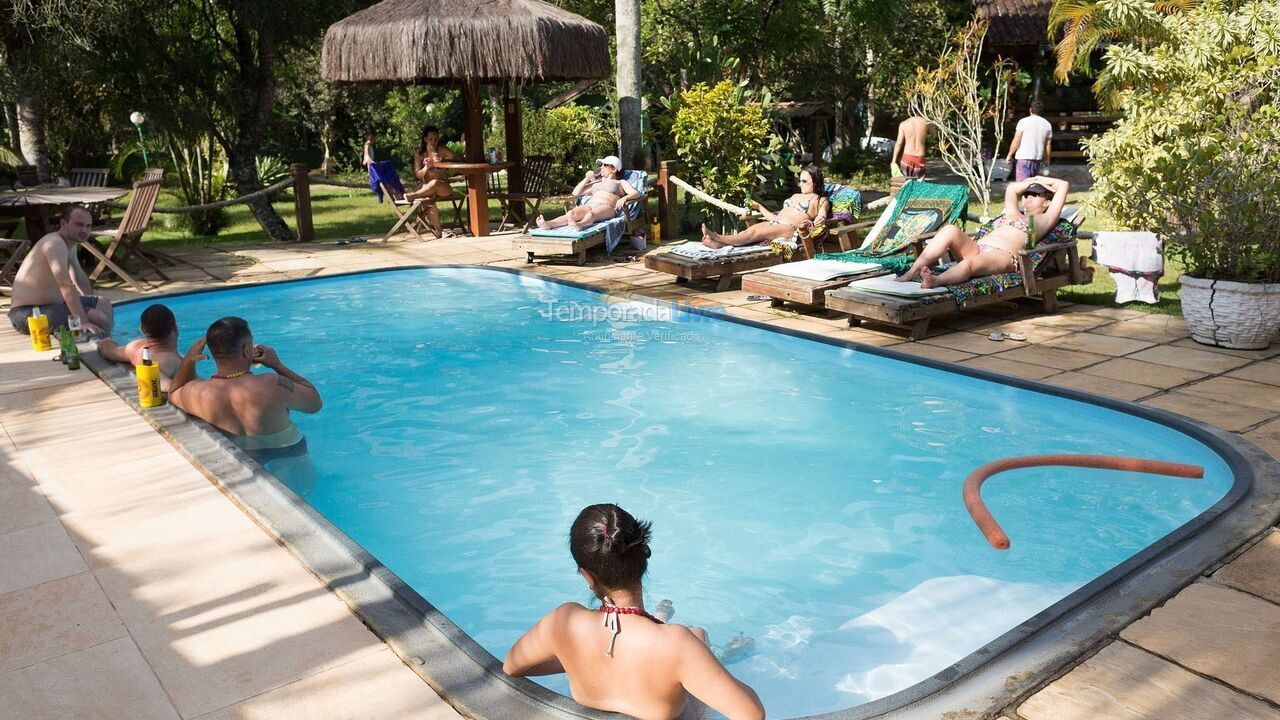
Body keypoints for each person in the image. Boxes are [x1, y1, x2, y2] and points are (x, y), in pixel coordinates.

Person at [504, 504, 765, 720]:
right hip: (673, 669)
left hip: (630, 648)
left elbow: (511, 666)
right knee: (697, 635)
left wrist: (574, 658)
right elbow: (752, 714)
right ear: (643, 559)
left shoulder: (563, 623)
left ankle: (659, 621)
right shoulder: (678, 645)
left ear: (587, 576)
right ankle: (723, 654)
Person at [168, 317, 322, 461]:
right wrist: (276, 364)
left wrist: (188, 360)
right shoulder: (272, 384)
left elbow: (174, 392)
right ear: (247, 350)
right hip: (290, 454)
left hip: (244, 457)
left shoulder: (198, 393)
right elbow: (315, 403)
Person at [895, 176, 1069, 288]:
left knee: (967, 265)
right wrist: (1030, 183)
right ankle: (913, 271)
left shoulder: (1043, 221)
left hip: (1003, 256)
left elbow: (1063, 185)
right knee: (949, 229)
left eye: (1035, 195)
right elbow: (1011, 189)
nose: (1028, 198)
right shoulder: (1013, 214)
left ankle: (936, 281)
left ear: (1047, 203)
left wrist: (1040, 178)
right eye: (1027, 194)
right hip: (978, 248)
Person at [8, 204, 114, 337]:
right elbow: (65, 284)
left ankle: (108, 342)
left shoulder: (70, 244)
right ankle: (101, 347)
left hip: (52, 305)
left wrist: (92, 300)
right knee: (97, 317)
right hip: (29, 314)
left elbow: (78, 275)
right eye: (79, 225)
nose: (85, 231)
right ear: (63, 223)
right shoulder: (54, 244)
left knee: (104, 304)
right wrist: (83, 321)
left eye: (88, 226)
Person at [701, 164, 829, 248]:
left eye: (805, 181)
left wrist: (821, 218)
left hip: (791, 229)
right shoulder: (795, 196)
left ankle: (716, 236)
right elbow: (774, 218)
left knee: (753, 233)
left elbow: (823, 212)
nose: (800, 184)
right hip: (776, 223)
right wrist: (759, 207)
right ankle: (719, 244)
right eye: (799, 181)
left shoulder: (819, 199)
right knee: (748, 232)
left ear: (816, 182)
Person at [536, 155, 640, 232]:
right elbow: (575, 192)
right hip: (590, 204)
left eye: (605, 165)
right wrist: (586, 178)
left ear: (614, 169)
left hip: (607, 207)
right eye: (601, 165)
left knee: (591, 214)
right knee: (572, 213)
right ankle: (549, 224)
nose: (601, 167)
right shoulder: (596, 183)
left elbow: (635, 193)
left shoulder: (620, 182)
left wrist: (624, 198)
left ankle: (580, 225)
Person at [97, 304, 183, 389]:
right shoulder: (169, 359)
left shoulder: (135, 347)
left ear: (142, 329)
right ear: (175, 328)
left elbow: (109, 350)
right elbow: (160, 383)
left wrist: (105, 342)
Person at [405, 126, 458, 237]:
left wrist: (443, 160)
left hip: (443, 187)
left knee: (434, 183)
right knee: (429, 199)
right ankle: (440, 231)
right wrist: (426, 167)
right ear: (425, 139)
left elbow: (457, 158)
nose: (433, 142)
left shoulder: (441, 150)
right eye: (430, 139)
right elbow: (418, 175)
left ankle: (413, 196)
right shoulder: (420, 155)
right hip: (428, 190)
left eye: (436, 139)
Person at [1005, 101, 1053, 182]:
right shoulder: (1047, 124)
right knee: (1033, 187)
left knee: (1022, 186)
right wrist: (1047, 159)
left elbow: (1016, 140)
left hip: (1023, 158)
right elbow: (1048, 144)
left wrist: (1009, 155)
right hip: (1037, 159)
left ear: (1030, 110)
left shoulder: (1023, 122)